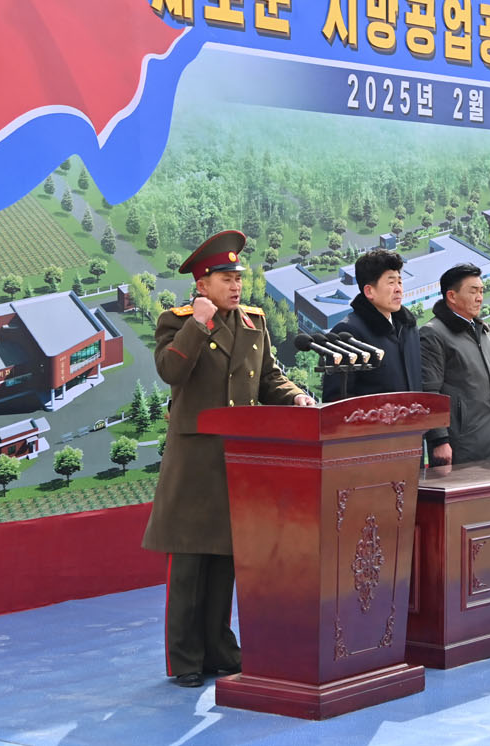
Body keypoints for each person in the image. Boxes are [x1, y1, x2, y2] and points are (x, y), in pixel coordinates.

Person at [142, 230, 315, 688]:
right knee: (190, 564)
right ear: (202, 284)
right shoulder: (176, 321)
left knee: (226, 560)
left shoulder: (254, 322)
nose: (236, 285)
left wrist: (296, 397)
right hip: (196, 459)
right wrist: (197, 326)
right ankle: (186, 658)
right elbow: (170, 371)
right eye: (225, 278)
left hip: (241, 458)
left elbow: (270, 380)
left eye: (238, 277)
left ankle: (220, 648)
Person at [420, 264, 490, 466]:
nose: (480, 298)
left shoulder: (482, 330)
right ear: (451, 296)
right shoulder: (433, 334)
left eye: (482, 291)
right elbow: (429, 391)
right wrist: (439, 439)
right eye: (473, 291)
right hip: (461, 445)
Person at [321, 248, 422, 402]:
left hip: (415, 423)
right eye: (391, 282)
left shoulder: (408, 326)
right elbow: (337, 400)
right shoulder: (347, 334)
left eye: (400, 281)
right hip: (376, 425)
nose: (398, 289)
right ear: (369, 291)